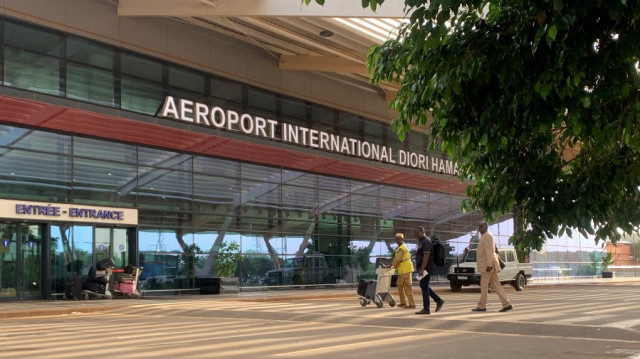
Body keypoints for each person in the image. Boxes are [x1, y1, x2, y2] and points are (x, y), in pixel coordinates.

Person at [472, 221, 514, 312]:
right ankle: (507, 304)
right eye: (479, 227)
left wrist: (489, 265)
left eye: (481, 227)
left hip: (488, 267)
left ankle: (482, 306)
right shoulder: (485, 236)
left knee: (484, 286)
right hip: (489, 266)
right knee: (497, 285)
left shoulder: (487, 236)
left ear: (486, 227)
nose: (479, 229)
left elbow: (490, 252)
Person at [414, 226, 445, 315]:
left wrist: (422, 269)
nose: (416, 235)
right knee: (424, 286)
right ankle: (438, 300)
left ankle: (426, 309)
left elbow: (426, 256)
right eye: (415, 233)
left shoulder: (426, 241)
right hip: (423, 268)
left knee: (424, 287)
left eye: (417, 233)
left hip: (426, 268)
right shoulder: (422, 242)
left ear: (422, 232)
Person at [391, 233, 415, 309]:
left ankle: (412, 304)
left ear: (402, 239)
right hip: (402, 270)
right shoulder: (399, 248)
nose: (396, 240)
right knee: (399, 284)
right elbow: (397, 259)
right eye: (396, 238)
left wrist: (392, 265)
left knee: (407, 286)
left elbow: (398, 259)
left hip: (406, 270)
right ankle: (403, 302)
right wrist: (392, 265)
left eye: (398, 238)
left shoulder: (402, 248)